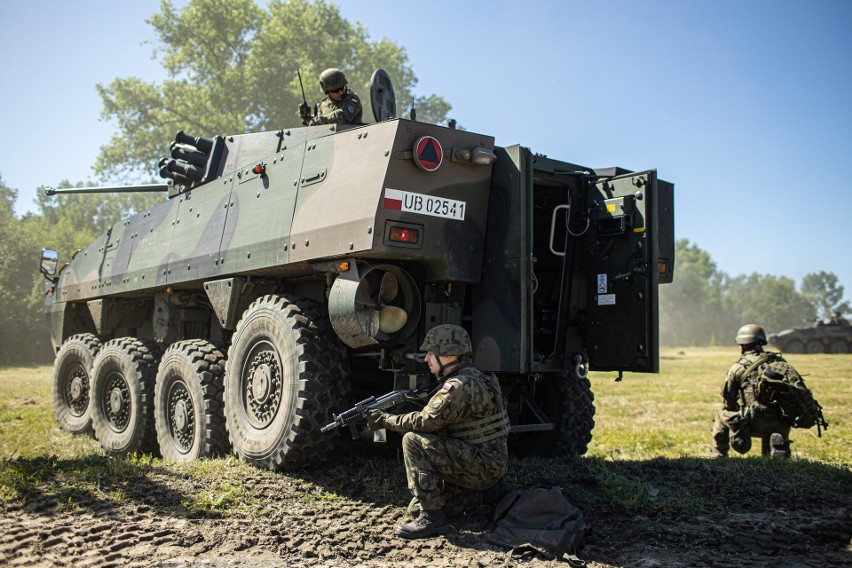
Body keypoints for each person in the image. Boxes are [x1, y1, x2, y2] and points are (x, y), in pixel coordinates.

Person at [365, 324, 510, 539]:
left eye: (431, 353)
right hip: (492, 464)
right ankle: (484, 494)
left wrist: (386, 420)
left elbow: (425, 422)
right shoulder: (478, 376)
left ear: (449, 355)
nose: (426, 359)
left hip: (482, 465)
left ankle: (432, 519)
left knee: (412, 440)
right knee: (417, 505)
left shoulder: (457, 387)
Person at [712, 324, 792, 458]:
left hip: (751, 424)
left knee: (721, 414)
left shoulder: (738, 367)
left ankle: (719, 454)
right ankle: (776, 449)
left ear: (743, 345)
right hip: (780, 423)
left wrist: (737, 422)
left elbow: (728, 399)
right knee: (773, 427)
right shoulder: (779, 362)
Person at [298, 68, 363, 126]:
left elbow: (342, 116)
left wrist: (320, 120)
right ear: (327, 92)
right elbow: (319, 126)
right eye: (336, 90)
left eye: (342, 88)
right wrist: (308, 118)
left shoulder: (352, 99)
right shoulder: (324, 105)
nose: (341, 92)